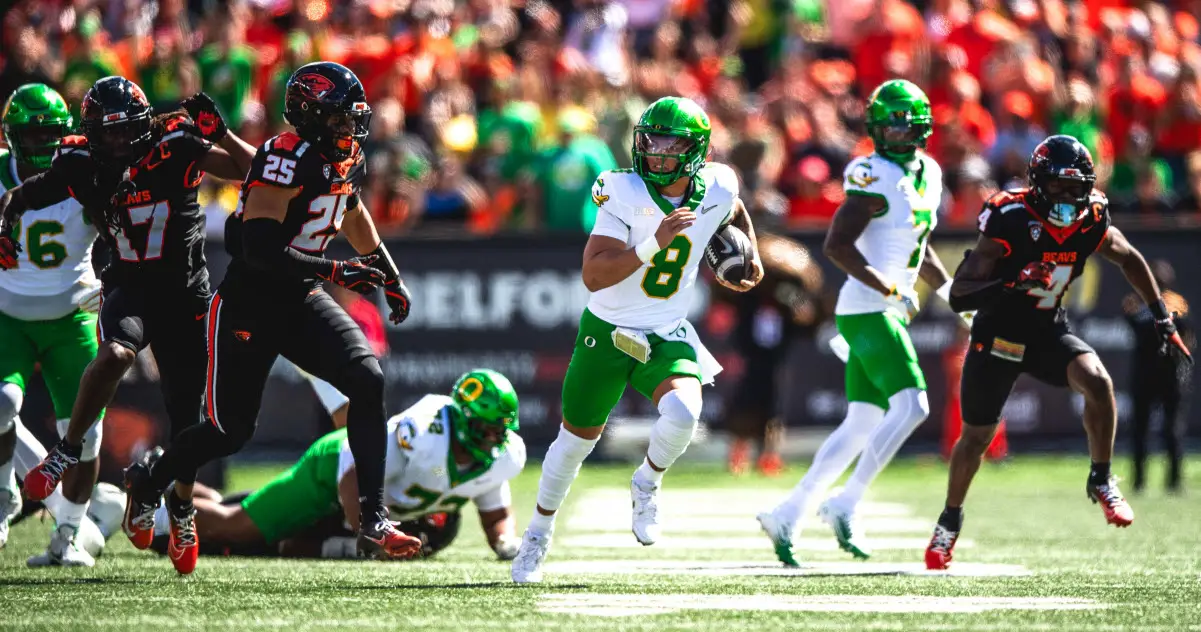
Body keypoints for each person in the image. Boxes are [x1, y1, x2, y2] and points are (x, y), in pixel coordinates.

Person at [127, 62, 420, 575]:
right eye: (338, 118)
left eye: (352, 118)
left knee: (367, 379)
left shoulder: (343, 155)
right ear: (310, 116)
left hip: (300, 298)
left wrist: (388, 273)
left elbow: (350, 211)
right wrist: (339, 268)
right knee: (227, 432)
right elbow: (261, 251)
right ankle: (150, 480)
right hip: (249, 303)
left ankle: (373, 517)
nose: (349, 128)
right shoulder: (284, 157)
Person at [0, 77, 254, 575]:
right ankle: (63, 453)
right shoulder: (78, 164)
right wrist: (5, 227)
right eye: (106, 133)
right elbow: (22, 197)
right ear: (90, 133)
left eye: (125, 132)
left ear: (143, 127)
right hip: (128, 286)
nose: (117, 143)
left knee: (189, 415)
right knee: (117, 352)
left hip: (185, 293)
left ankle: (179, 508)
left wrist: (221, 134)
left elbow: (252, 172)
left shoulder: (175, 145)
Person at [510, 96, 764, 584]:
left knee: (685, 413)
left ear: (696, 151)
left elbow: (734, 207)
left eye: (669, 144)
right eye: (650, 140)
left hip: (666, 329)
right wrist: (653, 243)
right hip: (606, 331)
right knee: (573, 443)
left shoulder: (718, 183)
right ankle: (538, 534)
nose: (655, 152)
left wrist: (752, 257)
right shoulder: (622, 189)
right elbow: (593, 273)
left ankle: (647, 480)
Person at [926, 135, 1193, 570]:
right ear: (1037, 184)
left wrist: (1161, 316)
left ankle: (1102, 479)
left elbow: (1130, 259)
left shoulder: (1092, 216)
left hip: (1047, 329)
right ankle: (948, 522)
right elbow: (960, 294)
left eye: (1077, 187)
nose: (1069, 198)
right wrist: (1013, 282)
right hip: (997, 333)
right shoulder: (1009, 215)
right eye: (1059, 187)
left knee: (1099, 383)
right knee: (976, 437)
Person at [756, 80, 971, 566]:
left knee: (861, 424)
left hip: (884, 307)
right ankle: (846, 501)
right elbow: (836, 245)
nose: (897, 130)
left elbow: (920, 248)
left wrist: (951, 295)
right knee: (913, 405)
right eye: (889, 121)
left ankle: (787, 513)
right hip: (866, 307)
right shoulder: (870, 173)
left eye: (904, 121)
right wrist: (886, 286)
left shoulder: (930, 173)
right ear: (876, 126)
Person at [145, 370, 523, 561]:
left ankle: (163, 476)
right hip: (336, 468)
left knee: (249, 512)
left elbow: (494, 511)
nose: (495, 438)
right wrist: (370, 531)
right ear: (465, 420)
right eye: (487, 428)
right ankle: (152, 507)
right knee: (239, 528)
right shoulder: (425, 432)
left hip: (370, 500)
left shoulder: (500, 457)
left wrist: (505, 541)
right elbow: (356, 467)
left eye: (500, 429)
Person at [0, 83, 103, 565]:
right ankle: (5, 497)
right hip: (8, 316)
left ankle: (67, 534)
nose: (42, 146)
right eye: (31, 136)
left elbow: (126, 230)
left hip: (70, 317)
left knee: (87, 435)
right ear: (11, 137)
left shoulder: (86, 172)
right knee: (2, 402)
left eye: (50, 136)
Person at [721, 233, 826, 476]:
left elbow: (806, 311)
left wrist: (799, 308)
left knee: (774, 404)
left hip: (775, 355)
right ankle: (738, 454)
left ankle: (769, 456)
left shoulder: (789, 288)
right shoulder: (750, 289)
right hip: (750, 354)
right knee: (744, 401)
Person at [1124, 260, 1192, 493]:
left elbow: (1184, 332)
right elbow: (1133, 325)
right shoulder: (1137, 300)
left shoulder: (1175, 301)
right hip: (1144, 373)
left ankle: (1174, 481)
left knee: (1172, 429)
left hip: (1170, 373)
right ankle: (1139, 480)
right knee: (1139, 430)